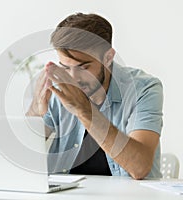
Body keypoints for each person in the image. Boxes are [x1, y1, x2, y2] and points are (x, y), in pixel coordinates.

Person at [26, 13, 163, 179]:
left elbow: (140, 167)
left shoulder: (144, 89)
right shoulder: (57, 88)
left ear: (108, 57)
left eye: (83, 68)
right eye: (66, 68)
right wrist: (35, 115)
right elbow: (22, 158)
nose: (73, 78)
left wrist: (84, 110)